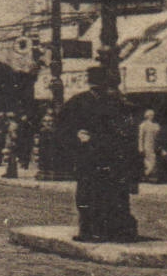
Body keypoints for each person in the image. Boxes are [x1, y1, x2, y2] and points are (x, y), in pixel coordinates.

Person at [59, 66, 140, 242]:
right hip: (99, 155)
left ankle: (98, 230)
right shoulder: (114, 101)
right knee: (100, 193)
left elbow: (62, 126)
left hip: (101, 155)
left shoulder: (91, 101)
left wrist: (77, 139)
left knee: (96, 193)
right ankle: (98, 230)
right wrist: (77, 137)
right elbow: (63, 126)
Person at [137, 109, 166, 182]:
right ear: (146, 116)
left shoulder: (156, 125)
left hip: (155, 145)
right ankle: (145, 175)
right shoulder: (143, 125)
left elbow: (159, 136)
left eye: (152, 115)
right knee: (149, 161)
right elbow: (140, 137)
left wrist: (160, 146)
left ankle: (147, 176)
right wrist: (140, 147)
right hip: (146, 145)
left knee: (154, 161)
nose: (152, 116)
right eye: (150, 115)